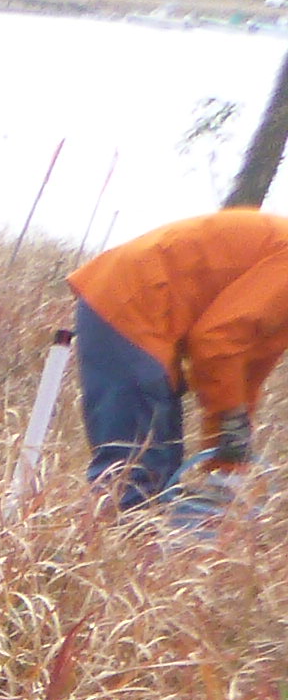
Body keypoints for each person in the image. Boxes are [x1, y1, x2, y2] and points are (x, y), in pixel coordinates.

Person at [67, 208, 288, 511]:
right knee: (135, 476)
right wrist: (230, 420)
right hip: (130, 303)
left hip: (143, 308)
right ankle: (116, 551)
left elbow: (243, 371)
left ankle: (137, 549)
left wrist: (228, 463)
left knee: (160, 476)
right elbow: (216, 342)